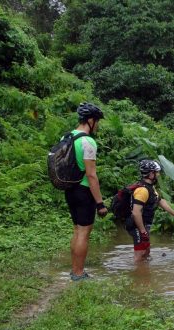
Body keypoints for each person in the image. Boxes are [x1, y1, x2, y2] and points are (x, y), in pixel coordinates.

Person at [65, 102, 107, 281]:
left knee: (77, 230)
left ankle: (75, 269)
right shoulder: (87, 142)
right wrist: (100, 203)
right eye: (97, 122)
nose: (97, 126)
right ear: (90, 120)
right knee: (83, 233)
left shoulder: (67, 137)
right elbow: (91, 175)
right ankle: (79, 273)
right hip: (83, 191)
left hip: (70, 189)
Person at [126, 159, 174, 263]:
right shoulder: (142, 191)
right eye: (156, 172)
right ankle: (138, 276)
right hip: (137, 225)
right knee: (140, 255)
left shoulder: (150, 188)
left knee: (146, 252)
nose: (158, 175)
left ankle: (145, 275)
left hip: (144, 225)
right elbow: (136, 213)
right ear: (150, 174)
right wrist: (143, 231)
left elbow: (160, 201)